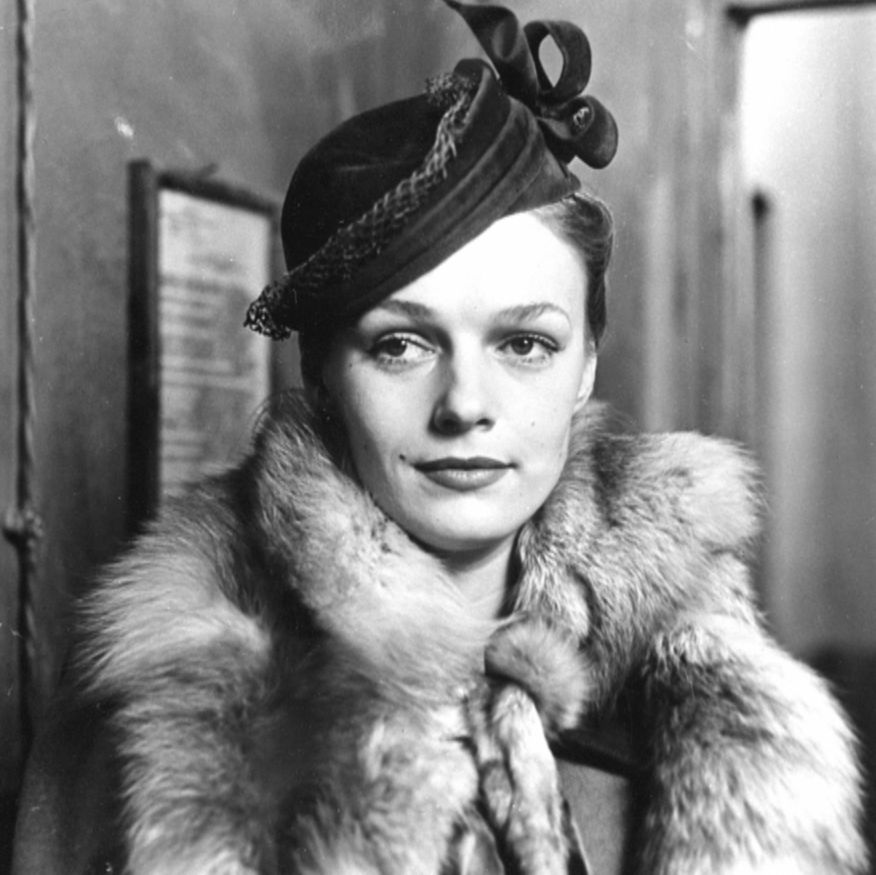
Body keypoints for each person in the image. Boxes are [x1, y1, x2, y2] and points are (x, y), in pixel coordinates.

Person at [12, 1, 866, 873]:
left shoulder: (714, 701)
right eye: (401, 345)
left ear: (585, 366)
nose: (465, 404)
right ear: (319, 372)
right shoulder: (172, 716)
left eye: (524, 344)